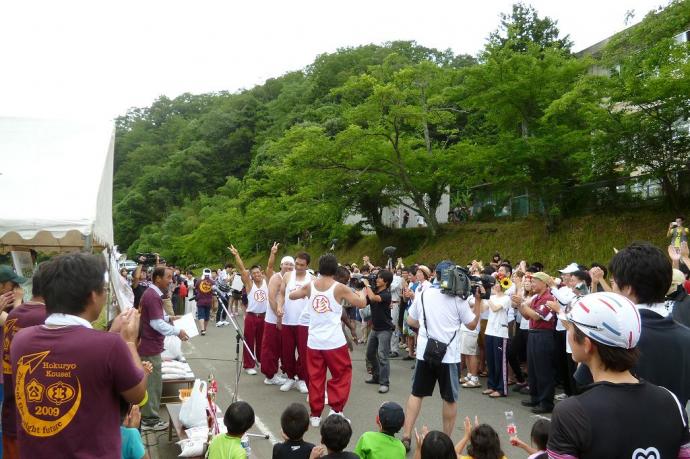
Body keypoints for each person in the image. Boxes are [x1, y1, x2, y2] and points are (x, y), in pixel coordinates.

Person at [10, 252, 147, 458]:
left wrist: (111, 336)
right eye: (104, 290)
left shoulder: (21, 340)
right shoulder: (110, 346)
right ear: (93, 295)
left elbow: (80, 353)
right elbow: (136, 394)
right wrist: (129, 341)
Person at [548, 291, 690, 457]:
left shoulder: (571, 413)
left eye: (570, 328)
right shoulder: (671, 400)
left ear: (587, 344)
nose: (569, 335)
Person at [575, 242, 690, 408]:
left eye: (613, 282)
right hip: (672, 428)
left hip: (617, 428)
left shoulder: (613, 333)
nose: (612, 288)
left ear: (628, 288)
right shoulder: (686, 336)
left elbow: (584, 385)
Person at [401, 260, 481, 452]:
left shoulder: (422, 294)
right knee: (449, 398)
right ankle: (446, 440)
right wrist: (478, 301)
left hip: (424, 352)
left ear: (435, 274)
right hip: (449, 356)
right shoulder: (459, 299)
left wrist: (428, 327)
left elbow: (411, 320)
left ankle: (406, 435)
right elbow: (471, 324)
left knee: (417, 393)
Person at [288, 253, 366, 427]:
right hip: (334, 342)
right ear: (335, 269)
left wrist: (301, 291)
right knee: (341, 375)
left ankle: (315, 415)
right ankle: (336, 410)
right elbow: (361, 303)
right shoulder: (339, 287)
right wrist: (363, 292)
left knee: (315, 377)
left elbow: (292, 296)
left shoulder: (311, 285)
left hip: (314, 341)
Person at [2, 264, 48, 458]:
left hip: (12, 397)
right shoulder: (35, 315)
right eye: (13, 287)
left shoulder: (14, 312)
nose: (15, 291)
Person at [138, 266, 189, 431]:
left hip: (150, 346)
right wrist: (177, 331)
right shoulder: (152, 296)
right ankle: (150, 420)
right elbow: (155, 323)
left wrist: (170, 317)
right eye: (168, 277)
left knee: (153, 383)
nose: (171, 281)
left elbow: (157, 317)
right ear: (157, 278)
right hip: (149, 347)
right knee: (153, 385)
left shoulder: (153, 294)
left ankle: (148, 417)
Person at [228, 243, 277, 375]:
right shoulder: (249, 284)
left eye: (258, 272)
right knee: (249, 340)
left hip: (264, 316)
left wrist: (273, 252)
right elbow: (242, 269)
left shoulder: (267, 282)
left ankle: (261, 360)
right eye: (254, 273)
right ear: (251, 275)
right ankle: (248, 365)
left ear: (261, 273)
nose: (257, 274)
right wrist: (236, 255)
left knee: (263, 341)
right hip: (251, 316)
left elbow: (271, 266)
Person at [518, 271, 556, 414]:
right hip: (533, 333)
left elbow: (536, 315)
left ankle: (546, 402)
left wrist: (522, 303)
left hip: (544, 335)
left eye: (534, 281)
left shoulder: (549, 298)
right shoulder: (535, 299)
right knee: (533, 368)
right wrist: (520, 306)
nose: (532, 284)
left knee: (543, 369)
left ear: (544, 283)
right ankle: (535, 397)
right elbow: (527, 317)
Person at [277, 252, 312, 393]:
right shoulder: (287, 276)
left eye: (301, 265)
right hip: (288, 320)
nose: (297, 267)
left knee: (304, 353)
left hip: (304, 323)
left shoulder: (312, 279)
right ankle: (291, 377)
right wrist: (279, 307)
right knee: (287, 352)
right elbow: (281, 294)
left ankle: (302, 379)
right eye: (296, 263)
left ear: (307, 265)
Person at [263, 257, 295, 386]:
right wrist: (278, 317)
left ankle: (284, 371)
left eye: (291, 265)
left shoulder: (292, 278)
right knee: (271, 348)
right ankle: (270, 375)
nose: (288, 267)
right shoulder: (276, 278)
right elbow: (271, 299)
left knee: (284, 348)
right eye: (286, 264)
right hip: (273, 319)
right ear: (281, 265)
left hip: (287, 320)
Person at [363, 270, 394, 394]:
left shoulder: (387, 294)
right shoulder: (375, 290)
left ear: (385, 282)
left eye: (379, 278)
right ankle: (376, 376)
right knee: (370, 354)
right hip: (375, 328)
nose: (376, 279)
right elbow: (365, 301)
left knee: (383, 357)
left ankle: (384, 382)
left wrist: (367, 285)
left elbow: (373, 298)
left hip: (385, 330)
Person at [482, 281, 511, 398]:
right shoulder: (492, 297)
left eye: (498, 283)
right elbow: (482, 310)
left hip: (500, 332)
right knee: (491, 360)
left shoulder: (506, 298)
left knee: (500, 362)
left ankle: (501, 388)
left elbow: (494, 308)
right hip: (489, 331)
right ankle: (492, 385)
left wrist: (487, 296)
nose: (495, 285)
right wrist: (479, 297)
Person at [194, 268, 215, 335]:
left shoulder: (199, 281)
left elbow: (196, 288)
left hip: (200, 300)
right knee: (206, 316)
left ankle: (202, 329)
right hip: (209, 301)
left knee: (201, 315)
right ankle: (204, 329)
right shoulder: (212, 282)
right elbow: (214, 290)